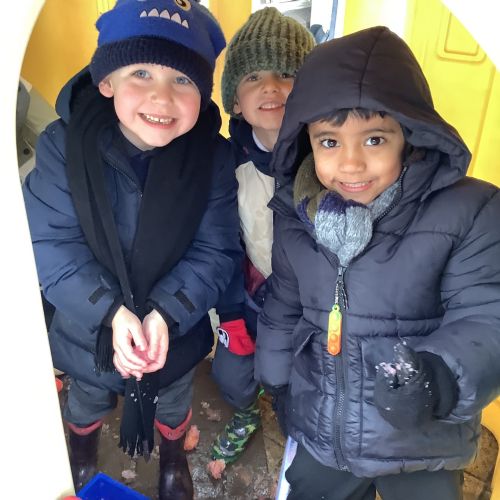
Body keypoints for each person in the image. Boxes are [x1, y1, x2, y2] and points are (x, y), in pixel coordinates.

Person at [255, 25, 500, 500]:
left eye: (373, 140)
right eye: (329, 142)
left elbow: (487, 316)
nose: (350, 164)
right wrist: (277, 378)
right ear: (306, 142)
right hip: (324, 430)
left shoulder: (470, 211)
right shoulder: (296, 215)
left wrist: (440, 378)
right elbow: (283, 303)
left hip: (422, 438)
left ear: (409, 135)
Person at [22, 1, 241, 499]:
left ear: (203, 92)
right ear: (106, 81)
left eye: (182, 79)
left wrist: (166, 313)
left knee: (174, 395)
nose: (162, 96)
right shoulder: (62, 146)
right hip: (88, 326)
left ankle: (172, 462)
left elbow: (216, 248)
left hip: (175, 324)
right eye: (141, 72)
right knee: (87, 396)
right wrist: (110, 313)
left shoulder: (213, 156)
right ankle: (81, 455)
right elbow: (50, 242)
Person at [208, 7, 314, 472]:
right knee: (231, 372)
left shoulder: (329, 156)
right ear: (235, 100)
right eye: (253, 76)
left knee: (298, 381)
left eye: (287, 74)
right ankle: (247, 413)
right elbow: (221, 241)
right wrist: (230, 311)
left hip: (308, 306)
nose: (271, 87)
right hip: (249, 295)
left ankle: (301, 440)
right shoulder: (225, 162)